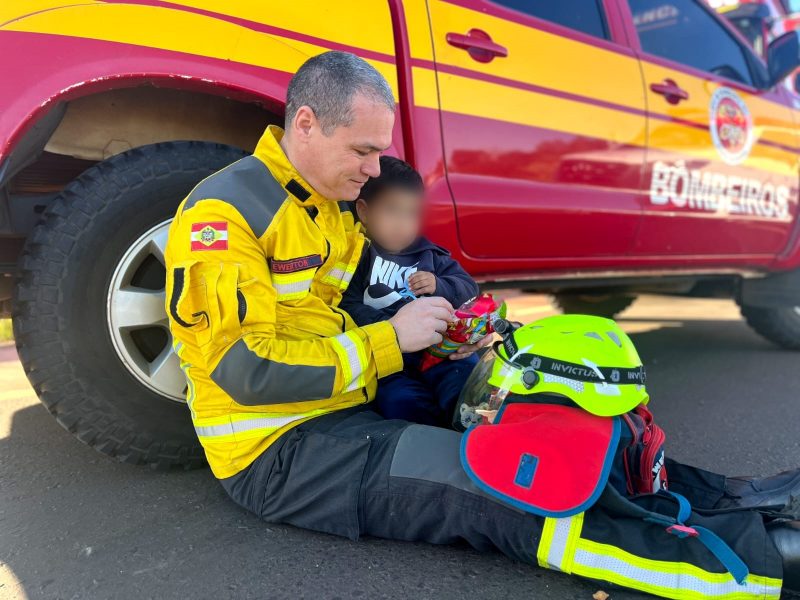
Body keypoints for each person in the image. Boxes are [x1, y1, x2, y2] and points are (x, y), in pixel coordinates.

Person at [164, 50, 800, 598]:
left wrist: (461, 326)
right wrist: (393, 339)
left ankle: (746, 502)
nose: (374, 170)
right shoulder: (225, 216)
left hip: (347, 411)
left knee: (549, 427)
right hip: (280, 453)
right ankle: (763, 561)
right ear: (305, 124)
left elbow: (373, 294)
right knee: (511, 490)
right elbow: (245, 373)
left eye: (380, 152)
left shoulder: (323, 206)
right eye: (363, 150)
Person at [339, 155, 479, 426]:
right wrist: (392, 328)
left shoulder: (429, 255)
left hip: (440, 353)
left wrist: (440, 285)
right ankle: (427, 445)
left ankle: (471, 437)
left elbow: (468, 288)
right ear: (365, 211)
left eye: (411, 214)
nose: (403, 224)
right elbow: (346, 303)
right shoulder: (357, 256)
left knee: (466, 384)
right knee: (399, 401)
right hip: (389, 361)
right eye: (392, 211)